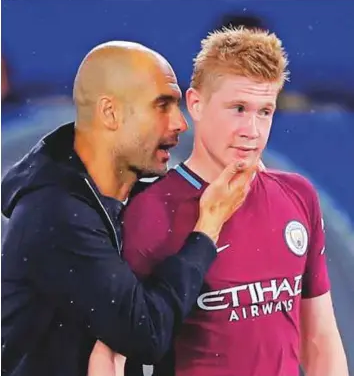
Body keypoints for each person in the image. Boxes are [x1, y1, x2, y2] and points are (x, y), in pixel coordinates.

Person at [96, 28, 349, 376]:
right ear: (196, 104)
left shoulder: (298, 196)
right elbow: (110, 355)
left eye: (265, 111)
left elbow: (319, 339)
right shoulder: (150, 210)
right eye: (239, 108)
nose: (252, 130)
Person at [1, 41, 259, 376]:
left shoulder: (132, 200)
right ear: (110, 113)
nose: (180, 123)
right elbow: (145, 333)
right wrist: (207, 228)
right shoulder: (57, 213)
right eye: (162, 105)